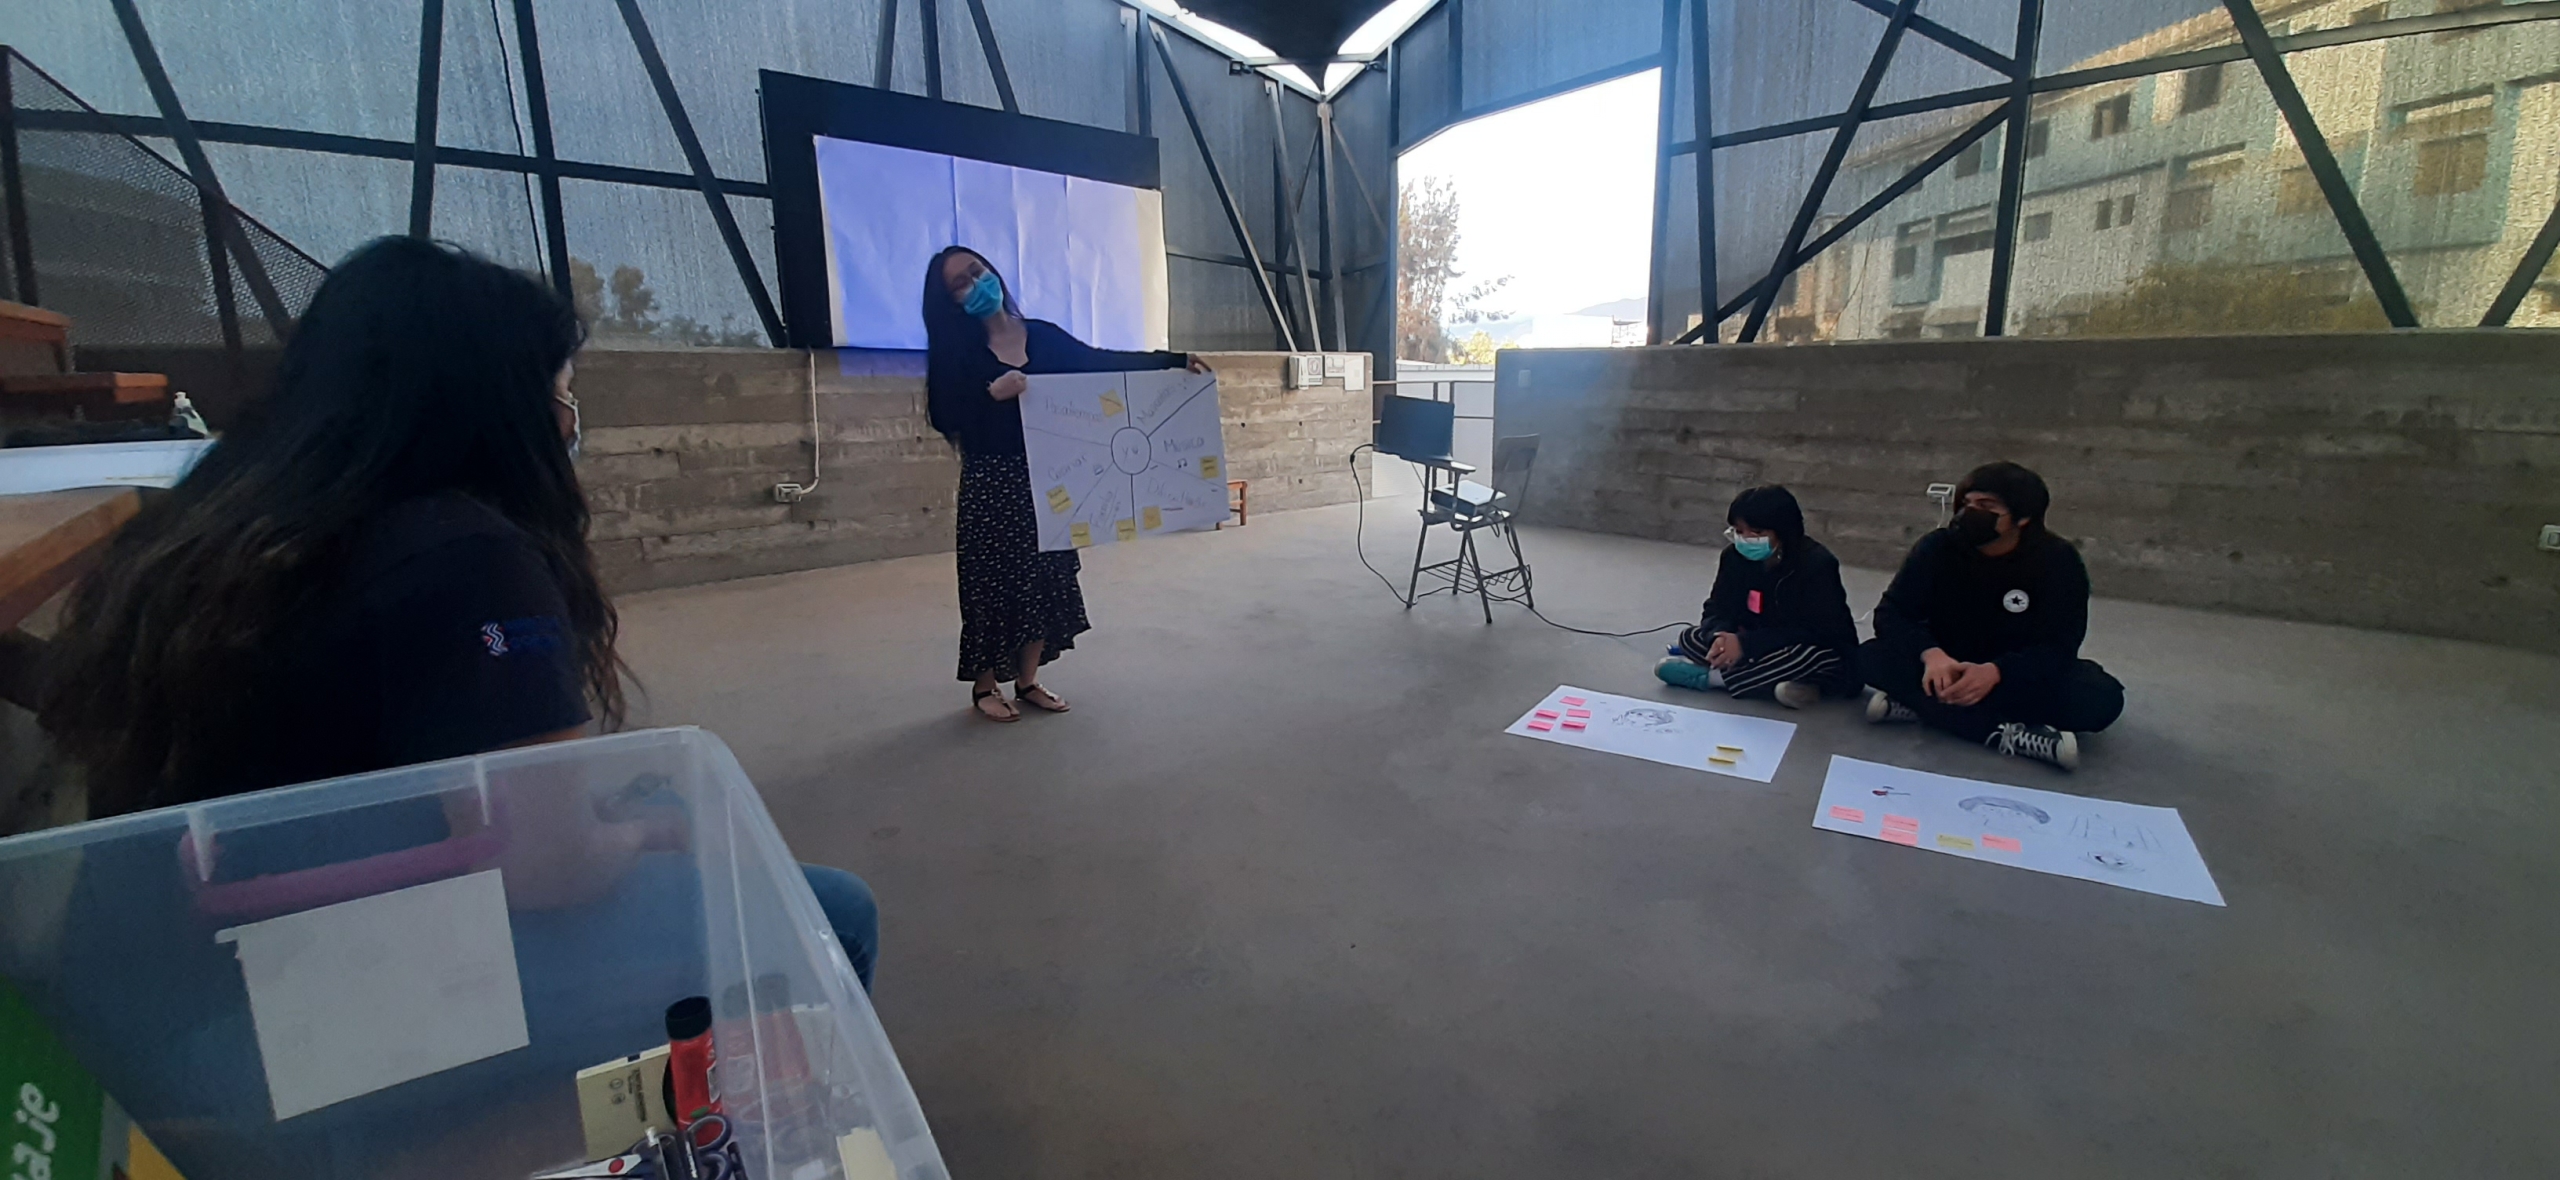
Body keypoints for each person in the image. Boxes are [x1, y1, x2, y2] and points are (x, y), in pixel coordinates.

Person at [39, 237, 878, 983]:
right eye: (560, 391)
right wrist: (645, 835)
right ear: (494, 405)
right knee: (829, 913)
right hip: (287, 1000)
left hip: (164, 976)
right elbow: (551, 868)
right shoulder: (466, 559)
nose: (568, 420)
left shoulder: (224, 520)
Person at [923, 245, 1206, 722]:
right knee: (991, 586)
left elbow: (1099, 362)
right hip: (993, 483)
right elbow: (943, 415)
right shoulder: (959, 353)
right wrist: (990, 394)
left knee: (1047, 579)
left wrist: (1171, 360)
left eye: (978, 271)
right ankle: (986, 686)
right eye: (961, 283)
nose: (976, 283)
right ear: (950, 300)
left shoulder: (1043, 336)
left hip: (1052, 478)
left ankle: (1027, 680)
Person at [1859, 461, 2124, 770]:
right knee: (1867, 658)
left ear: (2023, 517)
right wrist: (1931, 655)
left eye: (1986, 506)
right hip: (1946, 665)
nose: (1970, 513)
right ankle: (2005, 733)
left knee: (2100, 699)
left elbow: (2060, 646)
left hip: (2011, 672)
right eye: (1967, 503)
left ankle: (1924, 707)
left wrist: (1997, 672)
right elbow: (1891, 614)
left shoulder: (2058, 561)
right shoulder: (1937, 547)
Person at [1654, 485, 1859, 708]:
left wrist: (1746, 645)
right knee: (1690, 637)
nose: (1747, 539)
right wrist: (1719, 637)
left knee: (1806, 658)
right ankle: (1790, 685)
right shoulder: (1733, 557)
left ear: (1783, 531)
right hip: (1752, 639)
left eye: (1758, 532)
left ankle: (1713, 678)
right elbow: (1717, 608)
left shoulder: (1817, 564)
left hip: (1803, 647)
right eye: (1739, 531)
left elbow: (1819, 632)